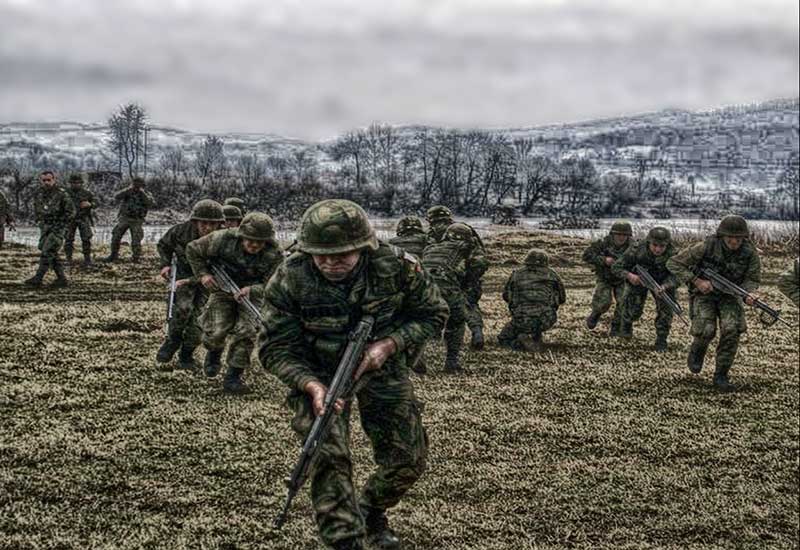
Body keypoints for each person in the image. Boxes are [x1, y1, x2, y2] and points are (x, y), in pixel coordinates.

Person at [259, 199, 448, 550]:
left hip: (382, 366)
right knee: (327, 456)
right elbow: (274, 348)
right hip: (315, 371)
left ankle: (370, 511)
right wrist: (311, 385)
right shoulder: (290, 276)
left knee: (407, 459)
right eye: (321, 255)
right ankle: (346, 541)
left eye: (342, 255)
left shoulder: (398, 267)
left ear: (364, 247)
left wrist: (390, 344)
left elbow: (433, 313)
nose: (331, 263)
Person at [186, 212, 283, 394]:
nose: (254, 245)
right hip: (223, 288)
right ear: (241, 235)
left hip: (252, 294)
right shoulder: (222, 239)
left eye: (260, 241)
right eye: (250, 240)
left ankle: (233, 377)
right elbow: (192, 249)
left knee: (247, 331)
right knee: (216, 330)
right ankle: (214, 352)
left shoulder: (275, 254)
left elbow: (275, 284)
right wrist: (204, 274)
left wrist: (253, 289)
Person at [667, 215, 761, 392]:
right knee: (706, 329)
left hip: (730, 296)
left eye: (738, 239)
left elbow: (753, 278)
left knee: (732, 329)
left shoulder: (750, 253)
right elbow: (673, 263)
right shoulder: (706, 246)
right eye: (730, 238)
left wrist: (748, 294)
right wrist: (696, 281)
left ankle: (721, 375)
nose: (734, 242)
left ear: (744, 238)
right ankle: (697, 350)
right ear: (722, 236)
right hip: (705, 294)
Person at [156, 200, 225, 371]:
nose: (208, 228)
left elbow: (223, 270)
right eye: (203, 223)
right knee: (181, 309)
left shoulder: (224, 240)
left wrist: (195, 280)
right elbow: (164, 245)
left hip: (208, 282)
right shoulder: (180, 232)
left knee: (198, 322)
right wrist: (165, 264)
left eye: (212, 224)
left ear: (219, 224)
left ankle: (186, 355)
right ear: (195, 221)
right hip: (182, 275)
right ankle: (172, 341)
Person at [425, 205, 488, 350]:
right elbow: (480, 256)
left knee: (437, 302)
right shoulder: (464, 229)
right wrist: (470, 277)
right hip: (464, 275)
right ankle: (477, 332)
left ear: (430, 219)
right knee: (469, 304)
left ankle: (435, 334)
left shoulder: (431, 233)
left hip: (442, 277)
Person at [611, 226, 679, 351]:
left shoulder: (673, 254)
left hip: (662, 283)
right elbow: (616, 267)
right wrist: (630, 276)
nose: (658, 249)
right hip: (638, 281)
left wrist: (666, 286)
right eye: (655, 245)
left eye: (662, 246)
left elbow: (678, 276)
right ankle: (626, 325)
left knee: (666, 310)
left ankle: (661, 339)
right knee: (633, 309)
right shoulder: (636, 250)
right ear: (649, 242)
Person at [421, 223, 472, 372]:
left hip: (424, 288)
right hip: (447, 289)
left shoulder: (430, 248)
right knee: (457, 322)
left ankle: (418, 356)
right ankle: (451, 362)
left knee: (425, 322)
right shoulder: (464, 248)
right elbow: (479, 265)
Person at [498, 248, 566, 350]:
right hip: (546, 318)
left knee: (503, 338)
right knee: (539, 314)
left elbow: (506, 296)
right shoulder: (552, 275)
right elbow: (562, 298)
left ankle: (520, 341)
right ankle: (535, 337)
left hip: (521, 319)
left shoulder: (517, 274)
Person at [24, 171, 75, 287]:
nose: (46, 182)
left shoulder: (62, 194)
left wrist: (61, 224)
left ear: (54, 180)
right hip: (45, 227)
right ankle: (62, 279)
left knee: (47, 251)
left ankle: (38, 278)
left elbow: (71, 212)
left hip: (58, 227)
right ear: (40, 181)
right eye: (44, 180)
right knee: (50, 251)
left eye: (49, 180)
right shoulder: (39, 193)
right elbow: (37, 208)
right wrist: (39, 220)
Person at [582, 221, 633, 335]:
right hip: (605, 277)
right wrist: (604, 260)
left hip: (622, 278)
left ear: (628, 236)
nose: (621, 237)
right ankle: (595, 314)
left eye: (624, 235)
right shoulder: (603, 243)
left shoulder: (633, 247)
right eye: (618, 234)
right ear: (612, 234)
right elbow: (586, 255)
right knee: (603, 302)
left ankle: (616, 329)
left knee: (624, 303)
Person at [103, 177, 155, 263]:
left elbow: (151, 203)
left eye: (138, 185)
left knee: (136, 240)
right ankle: (113, 255)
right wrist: (128, 190)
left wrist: (142, 193)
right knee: (116, 236)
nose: (136, 187)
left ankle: (136, 258)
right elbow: (116, 196)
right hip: (125, 218)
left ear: (142, 185)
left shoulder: (146, 194)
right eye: (135, 184)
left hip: (137, 220)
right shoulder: (128, 191)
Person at [64, 173, 96, 267]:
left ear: (81, 183)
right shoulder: (65, 193)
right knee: (68, 240)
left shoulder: (87, 193)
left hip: (83, 218)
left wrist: (90, 204)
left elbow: (96, 202)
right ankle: (68, 259)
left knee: (86, 239)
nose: (75, 184)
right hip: (69, 219)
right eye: (73, 183)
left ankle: (87, 259)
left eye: (78, 183)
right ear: (70, 183)